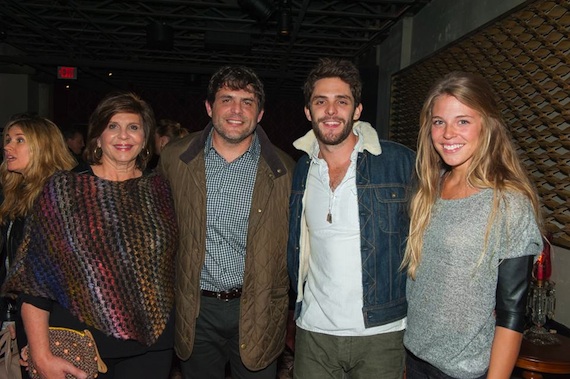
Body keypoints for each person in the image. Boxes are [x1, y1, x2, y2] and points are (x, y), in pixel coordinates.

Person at [3, 92, 179, 379]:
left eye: (133, 127)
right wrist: (39, 352)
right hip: (80, 345)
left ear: (145, 137)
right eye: (113, 126)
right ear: (97, 136)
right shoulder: (63, 190)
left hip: (152, 348)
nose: (123, 135)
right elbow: (34, 280)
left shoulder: (160, 190)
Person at [402, 71, 543, 379]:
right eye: (439, 122)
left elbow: (512, 313)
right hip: (413, 358)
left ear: (487, 126)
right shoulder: (429, 188)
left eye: (463, 121)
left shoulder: (507, 202)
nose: (448, 133)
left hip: (465, 372)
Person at [158, 65, 294, 379]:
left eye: (247, 102)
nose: (236, 110)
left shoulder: (285, 170)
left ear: (260, 113)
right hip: (195, 309)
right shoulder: (175, 159)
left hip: (258, 307)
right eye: (226, 99)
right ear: (209, 107)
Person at [287, 58, 415, 378]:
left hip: (382, 334)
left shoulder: (398, 162)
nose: (331, 111)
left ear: (357, 110)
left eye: (341, 101)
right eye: (321, 101)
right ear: (308, 112)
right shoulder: (300, 170)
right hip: (314, 335)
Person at [0, 115, 77, 378]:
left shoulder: (59, 196)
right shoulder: (20, 195)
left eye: (19, 140)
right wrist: (12, 314)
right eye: (8, 140)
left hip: (53, 322)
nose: (8, 147)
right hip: (28, 316)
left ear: (43, 146)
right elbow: (14, 266)